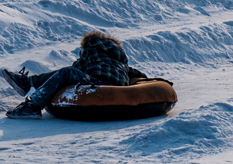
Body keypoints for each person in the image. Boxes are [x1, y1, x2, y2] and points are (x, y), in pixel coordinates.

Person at [3, 31, 148, 119]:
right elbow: (138, 74)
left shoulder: (92, 48)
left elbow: (76, 68)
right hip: (118, 88)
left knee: (66, 72)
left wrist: (81, 58)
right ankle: (28, 83)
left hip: (99, 83)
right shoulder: (120, 61)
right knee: (68, 73)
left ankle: (32, 103)